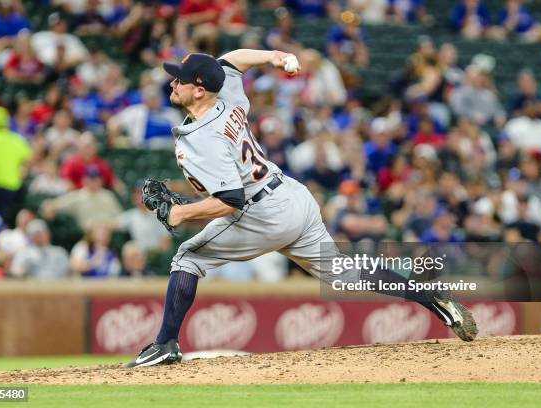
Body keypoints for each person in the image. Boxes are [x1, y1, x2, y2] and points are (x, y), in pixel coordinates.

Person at [125, 50, 478, 368]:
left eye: (180, 80)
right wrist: (275, 56)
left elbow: (231, 199)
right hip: (292, 196)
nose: (172, 83)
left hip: (260, 212)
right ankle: (430, 297)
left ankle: (164, 344)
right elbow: (233, 61)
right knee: (345, 273)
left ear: (199, 90)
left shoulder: (202, 137)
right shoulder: (226, 94)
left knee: (187, 258)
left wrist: (179, 214)